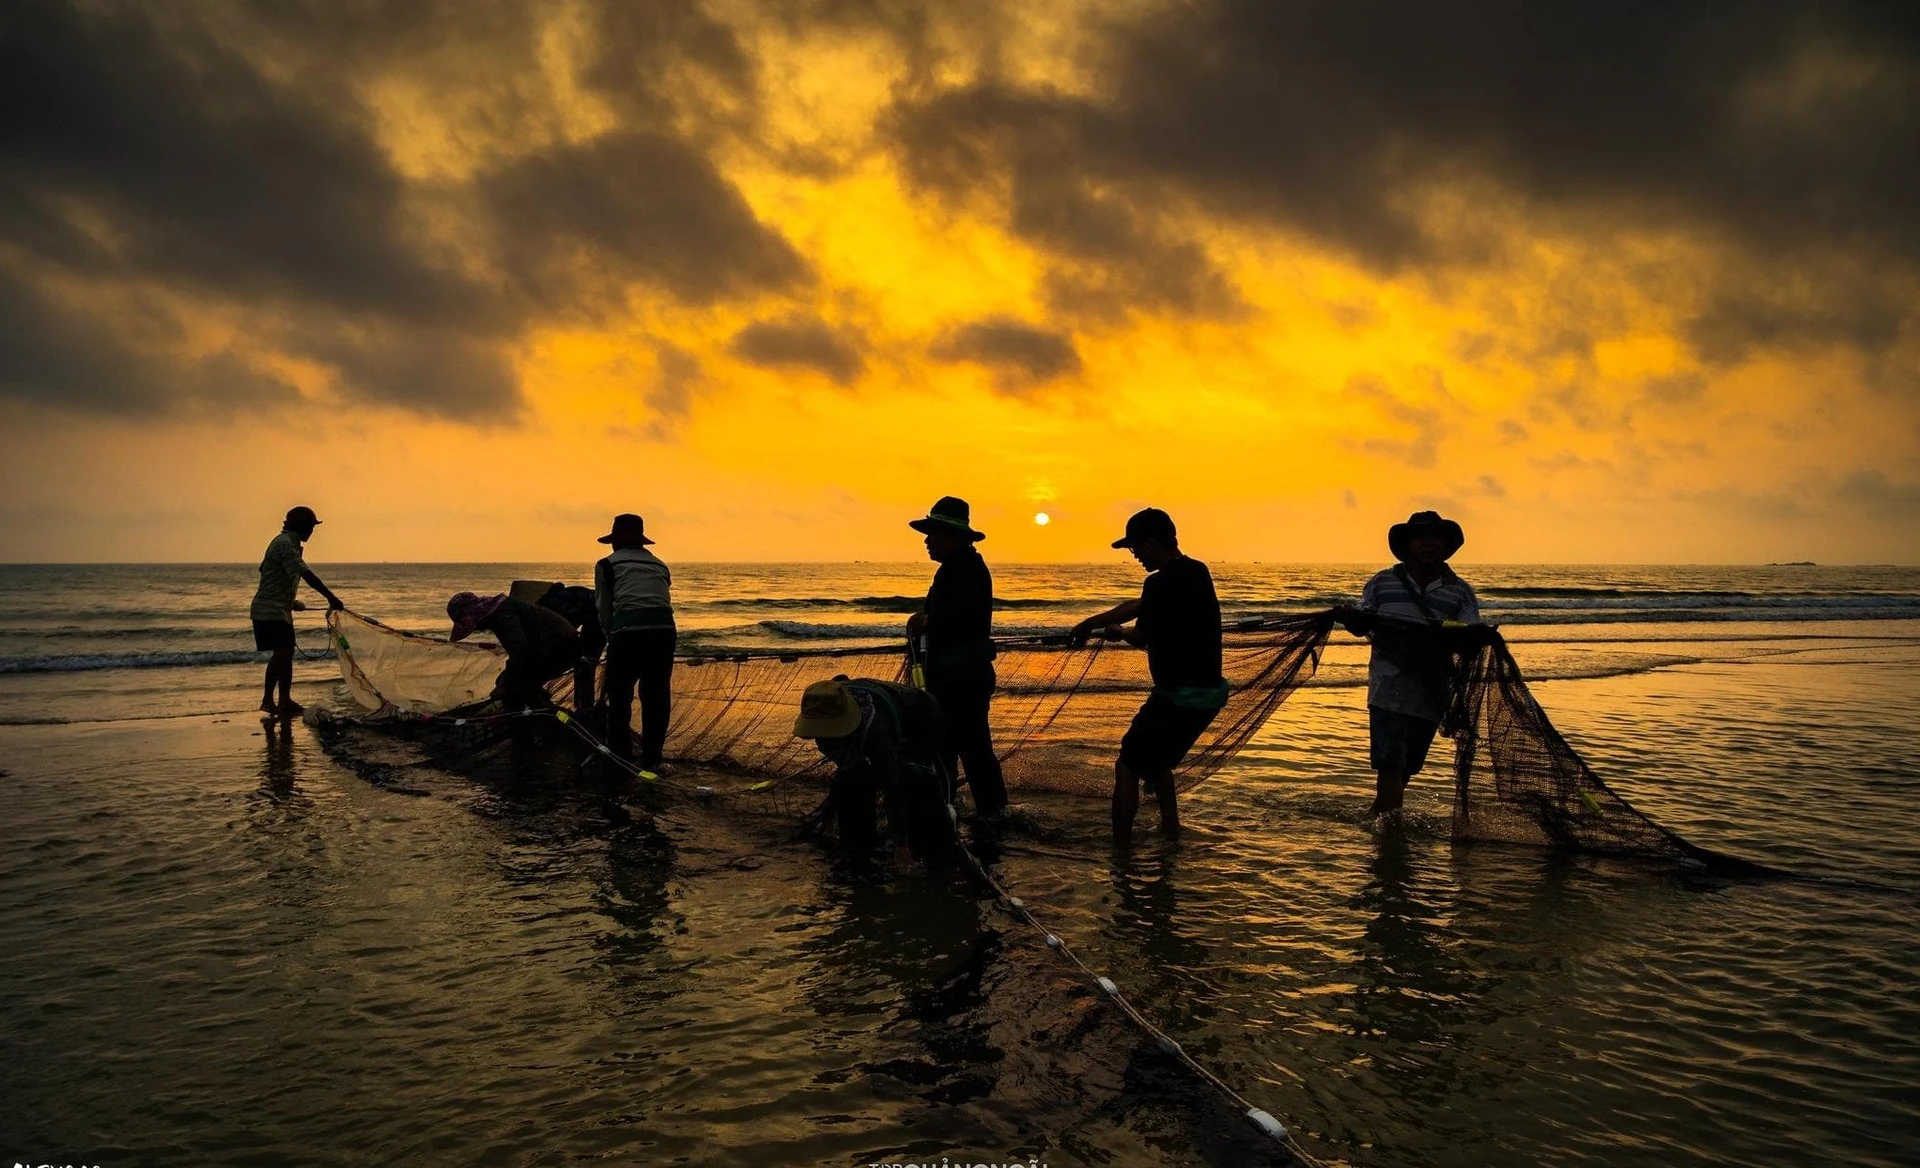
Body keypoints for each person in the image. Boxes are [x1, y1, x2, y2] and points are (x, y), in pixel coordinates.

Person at [1069, 508, 1228, 848]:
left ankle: (1121, 853)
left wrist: (1117, 633)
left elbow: (1140, 635)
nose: (1135, 555)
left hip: (1176, 698)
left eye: (1136, 548)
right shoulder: (1197, 571)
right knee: (1157, 764)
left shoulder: (1157, 582)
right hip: (1207, 695)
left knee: (1128, 765)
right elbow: (1140, 605)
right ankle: (1171, 834)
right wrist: (1091, 623)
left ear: (1153, 543)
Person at [1335, 510, 1487, 819]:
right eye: (1421, 538)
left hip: (1430, 693)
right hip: (1387, 689)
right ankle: (1389, 832)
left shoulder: (1460, 591)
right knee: (1391, 763)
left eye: (1435, 538)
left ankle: (1379, 821)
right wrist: (1352, 619)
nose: (1428, 544)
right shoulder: (1382, 582)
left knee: (1406, 768)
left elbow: (1469, 631)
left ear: (1445, 545)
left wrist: (1474, 637)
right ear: (1408, 545)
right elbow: (1364, 621)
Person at [905, 496, 1009, 818]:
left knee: (966, 750)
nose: (927, 541)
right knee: (958, 748)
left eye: (933, 534)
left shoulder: (962, 569)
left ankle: (983, 814)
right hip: (960, 677)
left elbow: (962, 619)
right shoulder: (959, 567)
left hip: (960, 680)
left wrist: (926, 621)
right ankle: (963, 810)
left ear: (952, 536)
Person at [794, 677, 953, 866]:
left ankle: (923, 845)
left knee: (912, 779)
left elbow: (891, 785)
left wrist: (901, 845)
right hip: (881, 714)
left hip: (923, 719)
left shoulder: (876, 730)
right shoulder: (826, 708)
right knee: (854, 782)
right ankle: (859, 847)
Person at [594, 513, 676, 773]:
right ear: (642, 542)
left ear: (615, 542)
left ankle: (620, 756)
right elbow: (661, 600)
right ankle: (653, 759)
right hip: (663, 633)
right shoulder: (660, 565)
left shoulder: (606, 565)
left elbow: (604, 609)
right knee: (656, 696)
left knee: (619, 695)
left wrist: (611, 635)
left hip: (628, 634)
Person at [250, 505, 342, 717]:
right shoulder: (285, 544)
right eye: (310, 526)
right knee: (282, 653)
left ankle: (284, 700)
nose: (312, 531)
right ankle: (267, 700)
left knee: (287, 653)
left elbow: (269, 572)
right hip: (268, 611)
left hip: (280, 609)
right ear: (301, 526)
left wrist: (291, 602)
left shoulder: (287, 544)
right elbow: (305, 574)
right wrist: (331, 597)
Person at [448, 590, 580, 710]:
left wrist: (504, 684)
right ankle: (539, 715)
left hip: (560, 648)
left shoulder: (503, 615)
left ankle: (551, 721)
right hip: (551, 648)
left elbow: (520, 652)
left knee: (516, 688)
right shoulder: (499, 611)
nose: (477, 629)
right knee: (513, 683)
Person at [536, 581, 605, 715]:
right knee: (583, 664)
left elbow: (565, 632)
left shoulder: (552, 607)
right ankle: (583, 705)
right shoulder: (552, 600)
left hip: (599, 618)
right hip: (596, 613)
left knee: (586, 664)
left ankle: (585, 707)